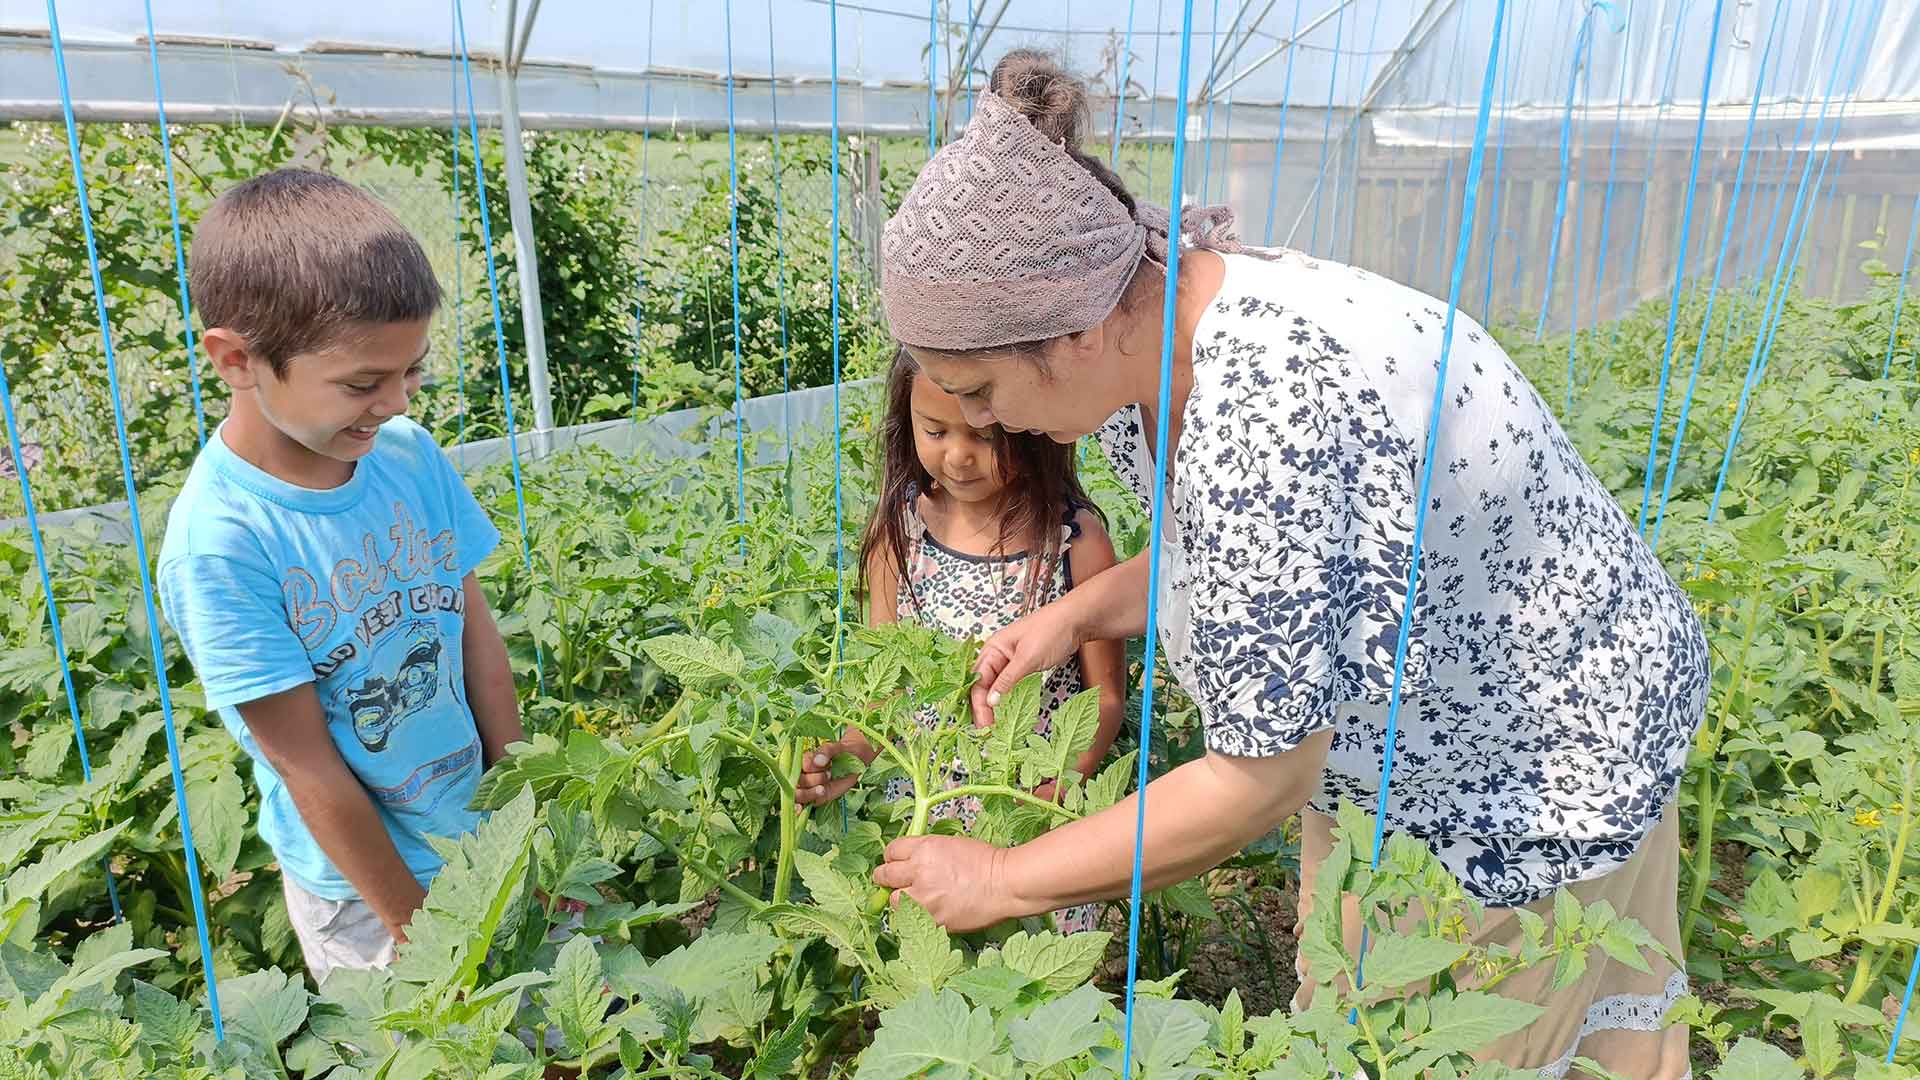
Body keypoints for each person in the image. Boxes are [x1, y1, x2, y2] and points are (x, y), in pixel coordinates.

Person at [868, 50, 1708, 1077]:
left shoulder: (1263, 419)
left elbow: (1256, 777)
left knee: (1469, 1041)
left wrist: (1004, 877)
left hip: (1528, 762)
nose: (988, 424)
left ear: (1077, 331)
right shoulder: (1162, 325)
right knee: (1353, 1002)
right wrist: (1080, 617)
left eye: (985, 390)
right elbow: (1246, 563)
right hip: (1403, 740)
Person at [157, 169, 524, 987]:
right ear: (237, 359)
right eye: (363, 382)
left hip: (481, 829)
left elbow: (476, 638)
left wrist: (524, 802)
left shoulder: (408, 460)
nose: (395, 401)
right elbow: (306, 766)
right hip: (367, 893)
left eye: (412, 372)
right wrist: (420, 930)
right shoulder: (223, 540)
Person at [796, 348, 1127, 934]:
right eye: (934, 430)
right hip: (924, 804)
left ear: (1031, 425)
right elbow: (886, 686)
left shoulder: (1074, 542)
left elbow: (1104, 699)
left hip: (1030, 811)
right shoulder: (899, 534)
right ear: (907, 427)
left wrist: (1044, 794)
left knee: (1035, 981)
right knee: (929, 981)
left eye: (983, 435)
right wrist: (849, 753)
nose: (958, 455)